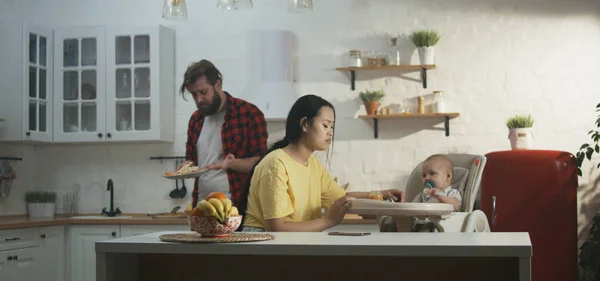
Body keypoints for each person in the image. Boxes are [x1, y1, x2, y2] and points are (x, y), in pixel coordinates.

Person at [237, 94, 405, 232]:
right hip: (264, 242)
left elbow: (341, 198)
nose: (330, 132)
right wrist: (329, 220)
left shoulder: (313, 165)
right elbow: (278, 228)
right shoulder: (276, 164)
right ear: (304, 124)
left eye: (332, 127)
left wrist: (380, 194)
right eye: (325, 125)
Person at [178, 59, 268, 207]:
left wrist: (233, 164)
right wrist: (185, 168)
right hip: (202, 207)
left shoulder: (249, 113)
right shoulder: (195, 119)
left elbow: (263, 165)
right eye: (194, 94)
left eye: (203, 92)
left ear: (217, 84)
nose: (199, 99)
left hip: (238, 207)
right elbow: (192, 160)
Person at [384, 154, 462, 232]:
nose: (427, 178)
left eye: (432, 173)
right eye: (424, 175)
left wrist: (440, 197)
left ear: (448, 176)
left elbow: (456, 205)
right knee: (396, 218)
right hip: (419, 222)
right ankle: (393, 236)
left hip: (438, 224)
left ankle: (410, 238)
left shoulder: (452, 192)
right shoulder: (424, 194)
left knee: (427, 228)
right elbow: (411, 207)